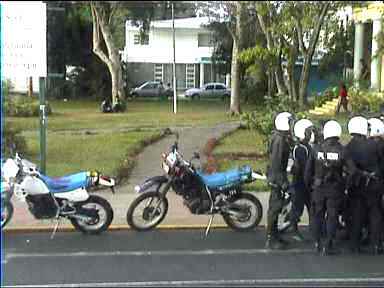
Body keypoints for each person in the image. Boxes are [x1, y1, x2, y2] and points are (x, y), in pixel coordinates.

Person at [304, 120, 357, 255]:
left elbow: (308, 170)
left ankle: (317, 242)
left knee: (317, 215)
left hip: (318, 188)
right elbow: (353, 171)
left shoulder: (316, 149)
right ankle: (328, 245)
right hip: (334, 189)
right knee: (332, 217)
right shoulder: (342, 150)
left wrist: (310, 185)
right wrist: (345, 184)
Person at [345, 116, 384, 255]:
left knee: (357, 214)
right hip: (374, 184)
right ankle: (376, 244)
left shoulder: (349, 146)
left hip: (357, 184)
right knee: (375, 214)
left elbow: (348, 167)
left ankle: (354, 244)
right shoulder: (374, 145)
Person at [265, 111, 295, 250]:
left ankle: (275, 234)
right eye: (289, 122)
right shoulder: (279, 141)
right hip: (277, 178)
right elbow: (277, 164)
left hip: (276, 176)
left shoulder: (280, 137)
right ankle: (271, 238)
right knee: (275, 208)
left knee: (276, 207)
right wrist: (283, 183)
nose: (291, 125)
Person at [286, 119, 314, 242]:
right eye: (308, 131)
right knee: (297, 208)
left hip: (307, 182)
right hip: (300, 183)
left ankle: (315, 230)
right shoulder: (301, 148)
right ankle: (293, 229)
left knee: (312, 207)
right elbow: (303, 166)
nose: (311, 133)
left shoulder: (307, 146)